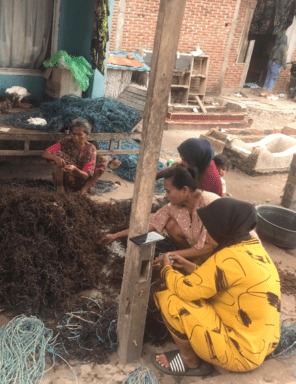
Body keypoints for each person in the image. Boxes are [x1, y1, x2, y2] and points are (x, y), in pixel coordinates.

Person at [151, 198, 280, 376]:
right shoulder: (252, 249)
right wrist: (188, 265)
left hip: (240, 355)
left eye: (210, 229)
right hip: (262, 344)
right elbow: (218, 281)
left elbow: (185, 290)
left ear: (222, 230)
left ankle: (190, 362)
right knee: (201, 293)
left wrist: (166, 270)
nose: (207, 234)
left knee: (169, 297)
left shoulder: (227, 258)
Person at [101, 167, 220, 263]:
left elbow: (209, 246)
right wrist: (115, 235)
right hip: (200, 246)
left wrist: (170, 255)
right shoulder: (175, 206)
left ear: (184, 190)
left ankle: (197, 263)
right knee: (171, 225)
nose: (166, 195)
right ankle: (192, 259)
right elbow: (151, 223)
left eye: (168, 191)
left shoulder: (209, 203)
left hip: (221, 252)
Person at [42, 117, 97, 193]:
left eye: (79, 135)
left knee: (103, 159)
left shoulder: (90, 149)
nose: (76, 137)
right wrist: (55, 158)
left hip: (79, 181)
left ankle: (84, 189)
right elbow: (46, 153)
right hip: (65, 178)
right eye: (73, 134)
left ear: (87, 135)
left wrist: (75, 169)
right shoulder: (66, 141)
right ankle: (60, 187)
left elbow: (86, 175)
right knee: (56, 154)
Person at [157, 138, 222, 197]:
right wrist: (156, 176)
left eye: (184, 160)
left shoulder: (206, 181)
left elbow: (194, 202)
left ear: (195, 159)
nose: (182, 162)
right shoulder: (201, 162)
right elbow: (176, 167)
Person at [261, 34, 288, 98]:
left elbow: (270, 56)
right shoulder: (284, 47)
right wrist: (285, 66)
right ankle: (269, 93)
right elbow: (284, 57)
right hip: (276, 64)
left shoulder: (275, 46)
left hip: (270, 63)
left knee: (268, 77)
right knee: (273, 78)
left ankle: (264, 91)